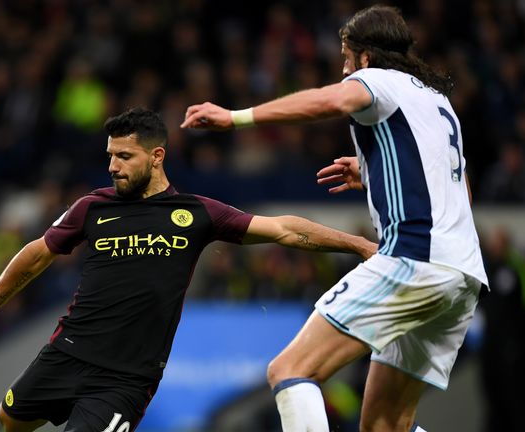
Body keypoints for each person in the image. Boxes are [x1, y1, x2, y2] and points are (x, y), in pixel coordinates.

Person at [0, 108, 376, 432]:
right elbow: (38, 252)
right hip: (66, 352)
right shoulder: (93, 207)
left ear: (156, 157)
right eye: (110, 156)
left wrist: (357, 244)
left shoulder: (197, 213)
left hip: (125, 379)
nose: (113, 166)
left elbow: (284, 229)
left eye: (124, 156)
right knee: (9, 421)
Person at [181, 5, 489, 432]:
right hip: (462, 275)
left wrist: (236, 118)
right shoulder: (436, 100)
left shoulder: (376, 80)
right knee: (384, 424)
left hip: (413, 260)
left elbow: (331, 100)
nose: (345, 69)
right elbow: (459, 191)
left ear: (366, 56)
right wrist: (374, 172)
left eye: (347, 57)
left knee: (291, 370)